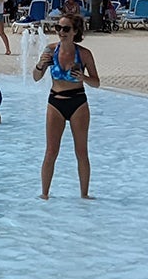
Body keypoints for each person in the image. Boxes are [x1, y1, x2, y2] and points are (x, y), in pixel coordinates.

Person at [32, 14, 100, 199]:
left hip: (78, 101)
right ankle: (44, 194)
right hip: (56, 101)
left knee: (81, 151)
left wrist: (83, 78)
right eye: (58, 28)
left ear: (75, 31)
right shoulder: (50, 50)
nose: (61, 32)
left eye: (66, 28)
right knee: (51, 151)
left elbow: (97, 83)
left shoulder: (84, 54)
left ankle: (84, 195)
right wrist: (40, 64)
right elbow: (36, 78)